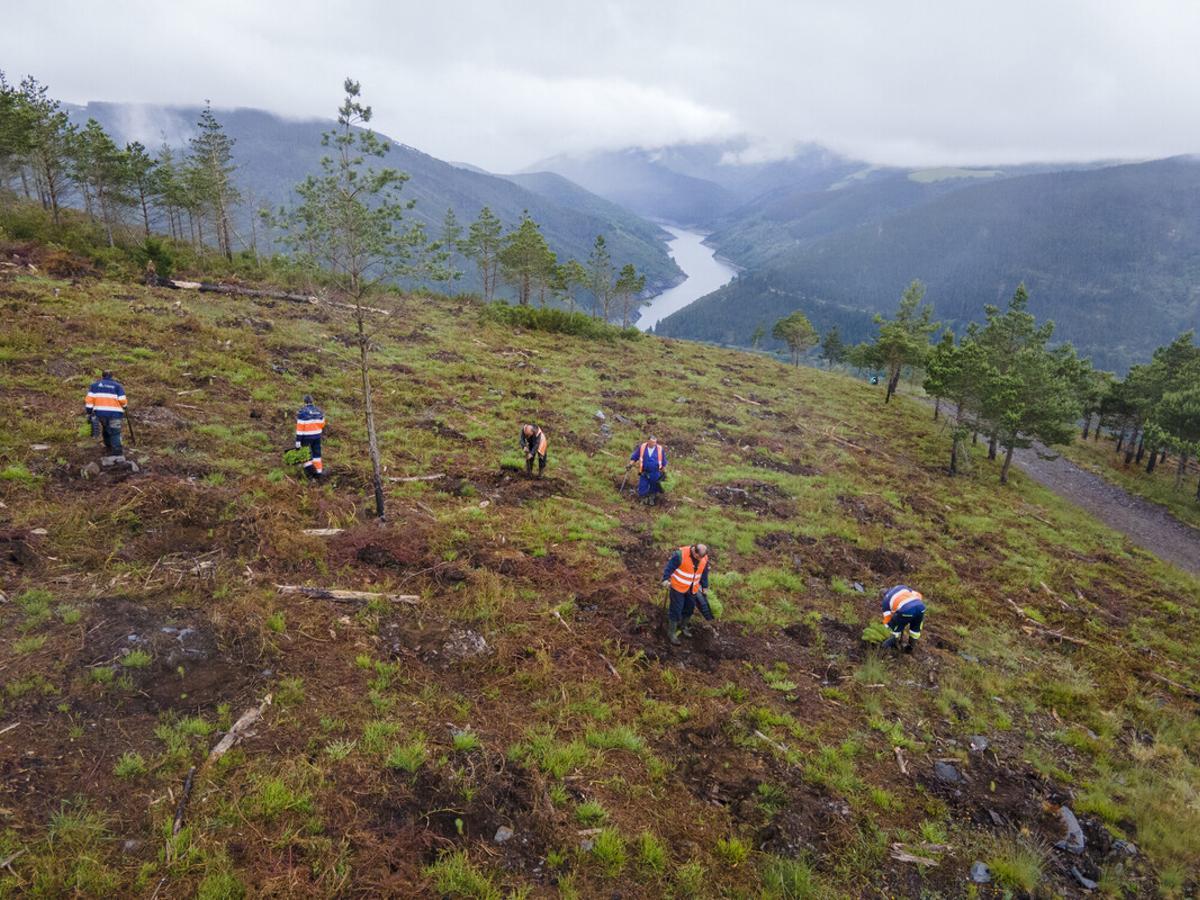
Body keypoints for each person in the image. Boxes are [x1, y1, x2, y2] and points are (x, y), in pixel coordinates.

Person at [661, 543, 712, 645]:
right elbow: (669, 567)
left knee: (689, 608)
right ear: (694, 551)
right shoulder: (680, 555)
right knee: (676, 609)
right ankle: (671, 633)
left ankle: (683, 626)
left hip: (693, 588)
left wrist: (705, 586)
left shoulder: (703, 558)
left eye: (701, 557)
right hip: (678, 587)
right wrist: (665, 579)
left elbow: (704, 572)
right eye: (698, 556)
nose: (699, 559)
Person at [84, 370, 128, 458]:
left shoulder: (94, 386)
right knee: (115, 432)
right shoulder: (118, 386)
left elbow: (89, 401)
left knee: (106, 429)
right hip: (115, 414)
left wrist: (89, 411)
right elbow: (122, 400)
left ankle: (108, 447)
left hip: (100, 413)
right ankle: (117, 451)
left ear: (102, 376)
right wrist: (125, 406)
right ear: (112, 376)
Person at [880, 584, 925, 653]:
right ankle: (910, 648)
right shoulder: (900, 587)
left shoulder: (885, 602)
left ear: (883, 596)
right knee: (915, 630)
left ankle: (882, 648)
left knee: (895, 630)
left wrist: (886, 628)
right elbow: (918, 594)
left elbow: (888, 620)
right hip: (921, 606)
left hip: (906, 609)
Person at [295, 394, 326, 480]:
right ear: (312, 401)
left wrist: (298, 441)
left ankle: (311, 473)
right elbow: (322, 424)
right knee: (317, 455)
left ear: (304, 402)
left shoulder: (302, 412)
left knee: (304, 455)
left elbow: (300, 428)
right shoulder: (319, 411)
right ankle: (319, 473)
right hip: (317, 436)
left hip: (306, 437)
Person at [628, 436, 666, 504]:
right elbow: (635, 457)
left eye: (655, 442)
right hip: (644, 472)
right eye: (652, 442)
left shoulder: (660, 449)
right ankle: (643, 499)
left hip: (655, 472)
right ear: (648, 441)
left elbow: (663, 462)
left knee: (654, 487)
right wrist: (630, 464)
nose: (654, 444)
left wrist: (664, 472)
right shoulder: (642, 447)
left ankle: (651, 499)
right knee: (642, 487)